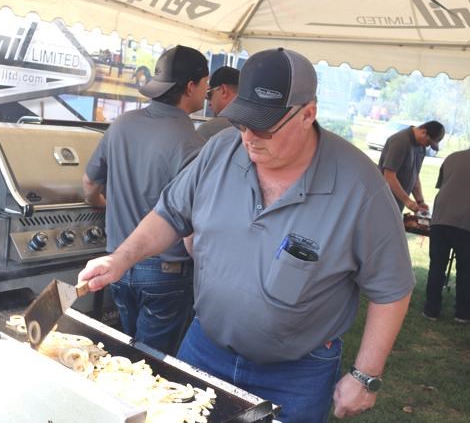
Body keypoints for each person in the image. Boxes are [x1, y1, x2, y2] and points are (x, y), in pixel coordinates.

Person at [78, 48, 415, 423]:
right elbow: (170, 214)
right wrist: (120, 258)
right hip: (205, 347)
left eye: (264, 126)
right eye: (241, 122)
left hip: (298, 373)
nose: (249, 138)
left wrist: (365, 376)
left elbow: (392, 288)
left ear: (308, 114)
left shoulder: (360, 187)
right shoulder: (220, 151)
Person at [82, 45, 208, 355]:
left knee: (128, 348)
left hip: (117, 265)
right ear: (190, 86)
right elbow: (190, 226)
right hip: (166, 275)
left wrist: (99, 201)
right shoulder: (192, 144)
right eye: (206, 84)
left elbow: (88, 182)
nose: (207, 92)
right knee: (150, 361)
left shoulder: (122, 124)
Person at [423, 148, 470, 323]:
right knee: (466, 270)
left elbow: (443, 185)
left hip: (441, 219)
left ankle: (431, 310)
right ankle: (462, 313)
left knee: (437, 266)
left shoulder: (452, 157)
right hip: (467, 222)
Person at [378, 120, 445, 213]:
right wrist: (407, 201)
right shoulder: (400, 142)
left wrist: (420, 201)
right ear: (423, 131)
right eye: (428, 142)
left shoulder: (421, 146)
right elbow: (389, 176)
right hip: (383, 201)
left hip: (397, 204)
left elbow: (415, 175)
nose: (427, 145)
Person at [196, 66, 239, 140]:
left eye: (209, 94)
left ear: (223, 91)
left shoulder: (209, 130)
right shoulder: (257, 125)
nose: (209, 103)